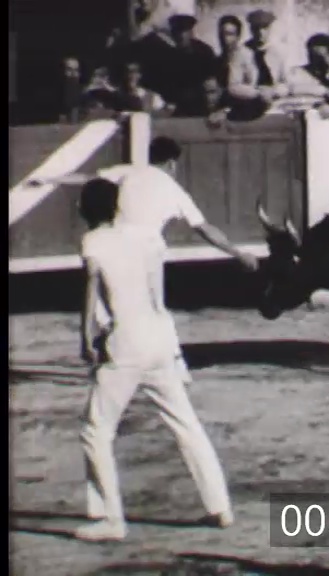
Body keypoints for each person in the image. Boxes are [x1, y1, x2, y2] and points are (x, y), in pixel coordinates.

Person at [74, 178, 233, 541]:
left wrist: (85, 338)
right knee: (186, 424)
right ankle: (219, 506)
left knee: (95, 429)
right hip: (160, 338)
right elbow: (154, 291)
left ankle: (110, 519)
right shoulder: (145, 237)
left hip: (126, 342)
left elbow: (92, 289)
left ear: (85, 209)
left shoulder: (93, 241)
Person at [29, 137, 259, 381]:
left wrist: (50, 179)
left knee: (105, 296)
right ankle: (173, 365)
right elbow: (205, 229)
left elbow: (87, 179)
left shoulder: (128, 172)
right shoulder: (173, 189)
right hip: (149, 251)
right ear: (172, 163)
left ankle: (108, 345)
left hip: (116, 243)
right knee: (154, 308)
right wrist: (237, 252)